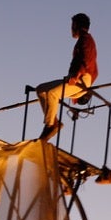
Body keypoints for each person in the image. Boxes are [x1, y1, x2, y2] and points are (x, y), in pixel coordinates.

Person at [32, 13, 97, 141]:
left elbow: (86, 59)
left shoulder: (86, 39)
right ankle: (53, 120)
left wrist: (77, 74)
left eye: (72, 26)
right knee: (41, 89)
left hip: (81, 79)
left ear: (77, 26)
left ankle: (50, 126)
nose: (71, 29)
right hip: (76, 77)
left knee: (52, 93)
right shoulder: (83, 39)